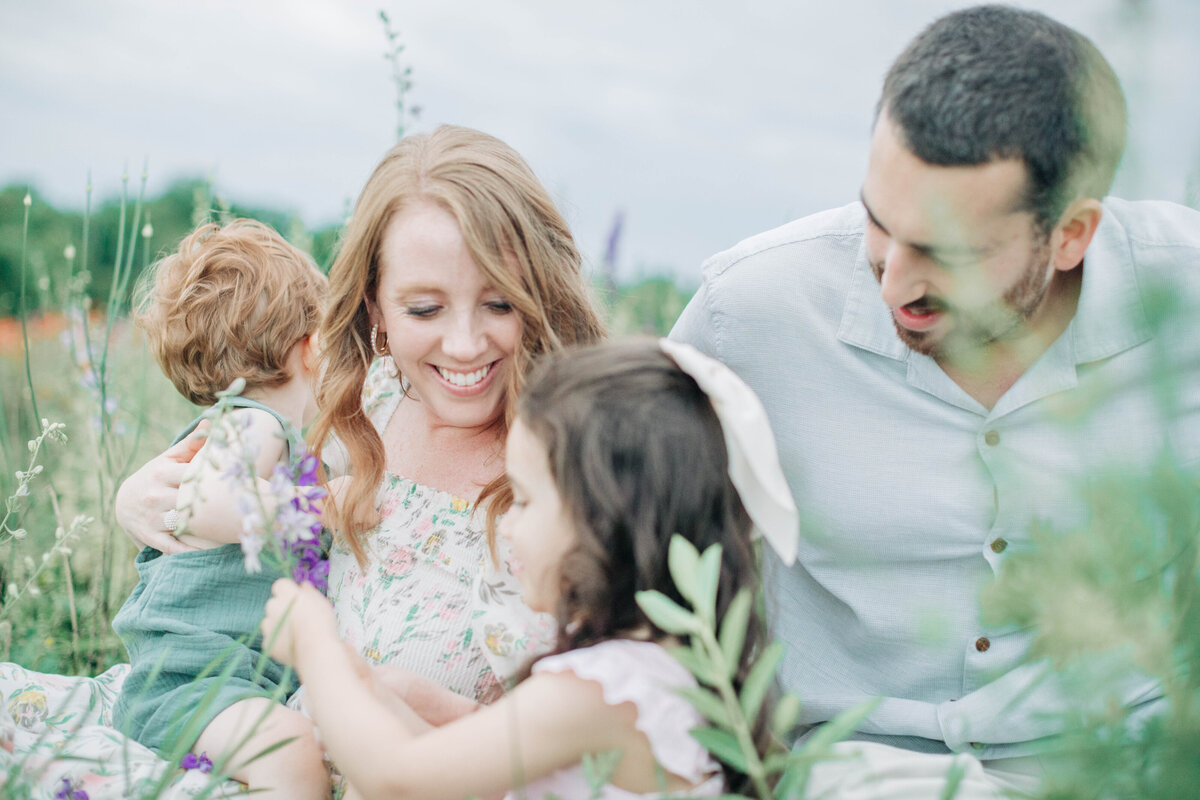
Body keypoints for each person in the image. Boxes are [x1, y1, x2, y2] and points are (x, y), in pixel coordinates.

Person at [670, 4, 1200, 797]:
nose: (894, 281)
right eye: (880, 224)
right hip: (845, 770)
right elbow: (620, 534)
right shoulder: (745, 312)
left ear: (1070, 235)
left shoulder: (1183, 299)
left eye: (945, 252)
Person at [115, 124, 607, 713]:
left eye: (499, 301)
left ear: (542, 294)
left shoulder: (584, 464)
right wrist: (136, 497)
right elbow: (216, 499)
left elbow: (591, 734)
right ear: (374, 304)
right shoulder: (359, 408)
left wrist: (430, 711)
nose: (465, 344)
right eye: (424, 308)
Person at [259, 338, 801, 800]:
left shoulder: (599, 690)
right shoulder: (668, 666)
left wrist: (316, 647)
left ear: (602, 521)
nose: (508, 527)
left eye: (522, 500)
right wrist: (417, 704)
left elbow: (395, 778)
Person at [112, 218, 329, 799]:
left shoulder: (252, 430)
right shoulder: (257, 423)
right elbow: (206, 502)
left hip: (212, 682)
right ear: (312, 345)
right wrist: (319, 510)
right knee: (291, 752)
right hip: (185, 685)